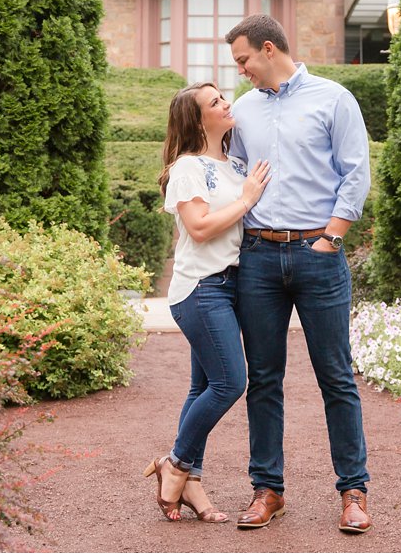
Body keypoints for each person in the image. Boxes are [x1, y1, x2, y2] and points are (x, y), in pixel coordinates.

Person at [224, 15, 373, 534]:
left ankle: (353, 491)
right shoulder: (242, 110)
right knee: (263, 379)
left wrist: (331, 237)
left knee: (336, 376)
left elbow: (356, 171)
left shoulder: (334, 99)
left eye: (243, 59)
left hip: (319, 253)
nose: (239, 70)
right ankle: (268, 490)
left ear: (269, 49)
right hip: (260, 257)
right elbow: (235, 176)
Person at [144, 82, 271, 523]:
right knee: (230, 383)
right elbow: (198, 228)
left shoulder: (234, 163)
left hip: (231, 287)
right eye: (214, 102)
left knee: (202, 388)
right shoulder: (187, 168)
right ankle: (175, 464)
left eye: (223, 97)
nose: (226, 103)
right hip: (201, 288)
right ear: (198, 120)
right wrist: (246, 199)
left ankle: (191, 485)